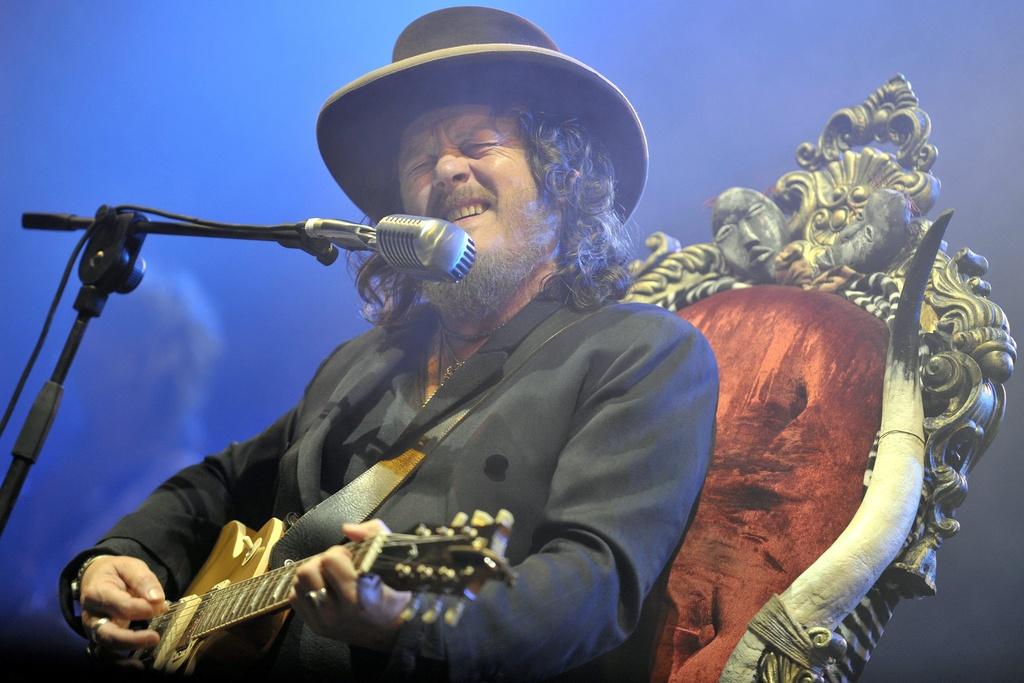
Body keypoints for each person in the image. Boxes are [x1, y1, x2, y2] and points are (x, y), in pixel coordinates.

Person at [60, 7, 718, 680]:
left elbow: (595, 582)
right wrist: (122, 552)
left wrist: (414, 620)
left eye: (479, 141)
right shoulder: (360, 364)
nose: (447, 169)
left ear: (563, 175)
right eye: (420, 159)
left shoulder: (642, 353)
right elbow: (222, 481)